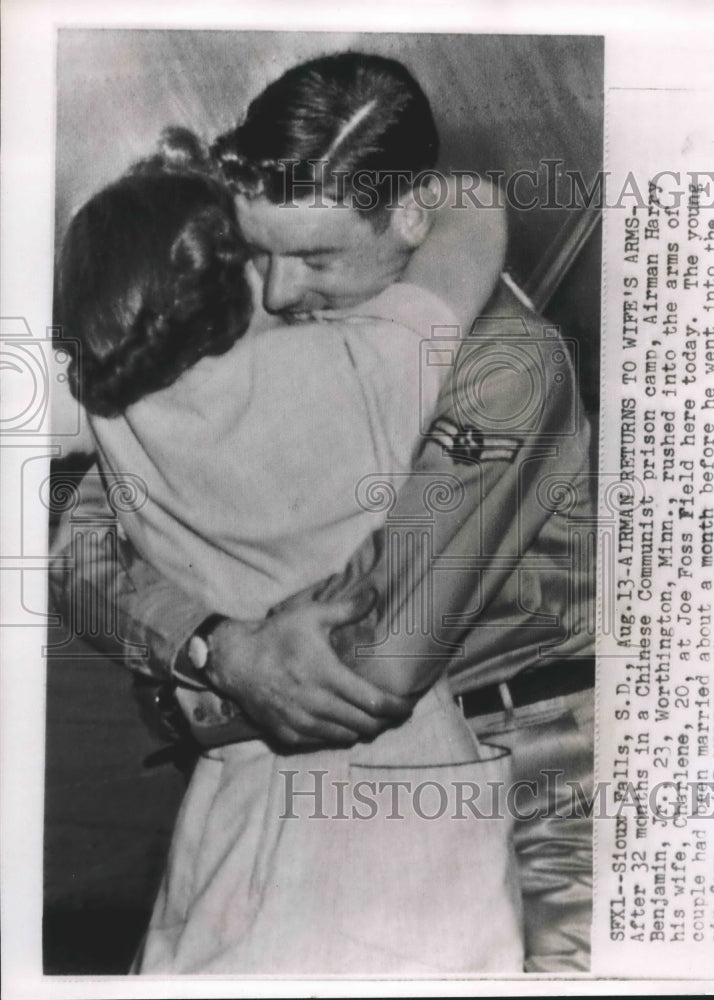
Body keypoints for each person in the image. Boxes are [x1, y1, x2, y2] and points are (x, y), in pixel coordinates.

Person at [50, 51, 596, 972]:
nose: (276, 295)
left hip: (547, 811)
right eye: (258, 251)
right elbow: (79, 549)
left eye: (316, 257)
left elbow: (371, 659)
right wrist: (214, 644)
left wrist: (211, 684)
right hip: (318, 814)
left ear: (414, 215)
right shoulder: (302, 355)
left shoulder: (506, 369)